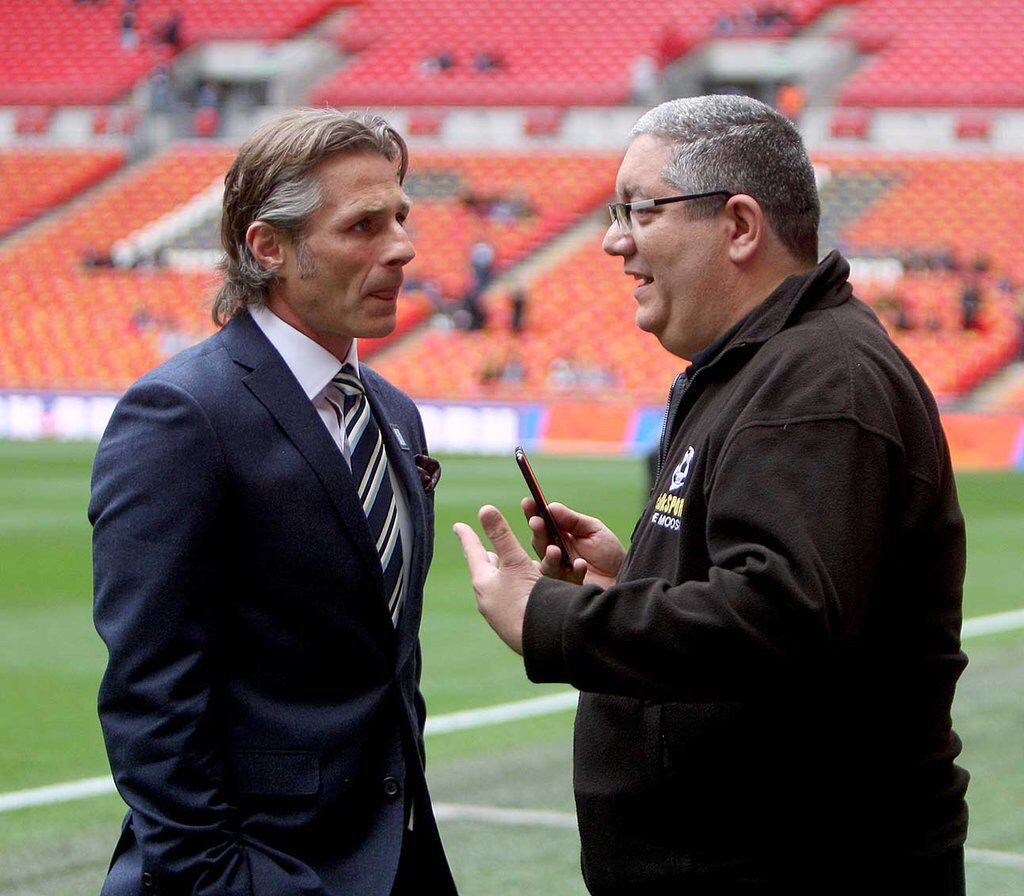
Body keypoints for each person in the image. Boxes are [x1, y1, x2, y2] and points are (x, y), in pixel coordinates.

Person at [454, 94, 969, 894]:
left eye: (640, 210)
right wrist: (631, 584)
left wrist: (550, 618)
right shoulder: (754, 364)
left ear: (737, 225)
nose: (613, 240)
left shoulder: (820, 379)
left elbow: (775, 619)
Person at [91, 108, 457, 896]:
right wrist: (224, 881)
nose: (402, 246)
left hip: (394, 863)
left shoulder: (392, 412)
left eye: (400, 216)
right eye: (363, 225)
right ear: (270, 248)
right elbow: (149, 696)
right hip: (257, 871)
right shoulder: (182, 415)